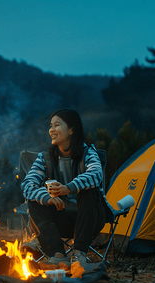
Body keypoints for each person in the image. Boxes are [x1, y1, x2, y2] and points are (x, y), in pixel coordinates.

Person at [21, 109, 111, 269]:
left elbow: (96, 175)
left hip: (90, 219)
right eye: (50, 126)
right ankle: (57, 254)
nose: (52, 130)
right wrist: (47, 197)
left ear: (72, 129)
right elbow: (28, 184)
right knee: (35, 199)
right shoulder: (45, 158)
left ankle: (79, 253)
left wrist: (67, 188)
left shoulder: (88, 153)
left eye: (57, 125)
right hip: (60, 219)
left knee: (89, 189)